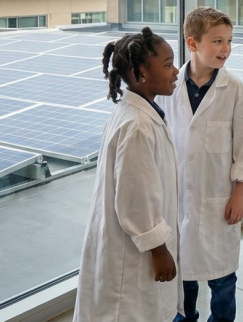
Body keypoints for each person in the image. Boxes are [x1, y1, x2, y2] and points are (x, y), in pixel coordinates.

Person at [74, 27, 183, 322]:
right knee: (128, 310)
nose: (176, 71)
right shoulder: (137, 126)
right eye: (167, 64)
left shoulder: (138, 114)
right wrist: (158, 250)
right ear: (140, 74)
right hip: (135, 254)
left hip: (128, 247)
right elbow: (136, 197)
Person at [156, 7, 243, 322]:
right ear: (193, 43)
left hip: (218, 200)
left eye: (229, 41)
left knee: (222, 278)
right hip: (178, 201)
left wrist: (239, 194)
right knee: (182, 277)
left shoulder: (234, 89)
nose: (225, 49)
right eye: (217, 41)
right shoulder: (169, 88)